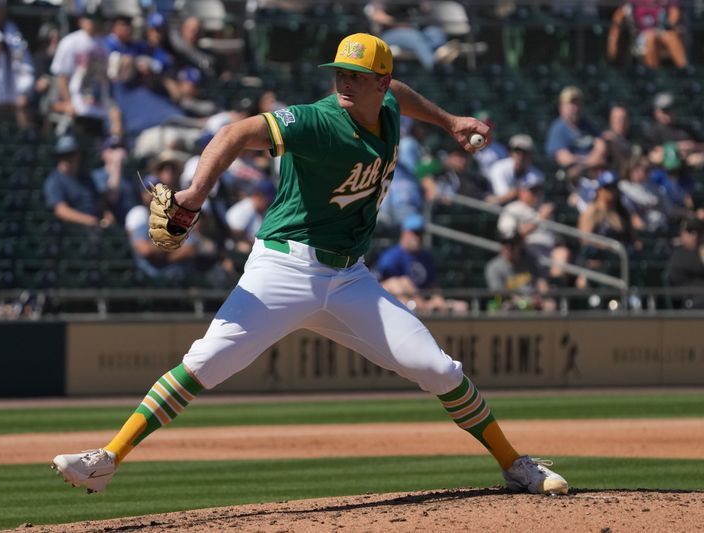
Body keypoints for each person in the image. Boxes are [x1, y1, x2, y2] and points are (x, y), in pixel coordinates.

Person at [52, 33, 567, 497]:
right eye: (340, 72)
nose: (344, 82)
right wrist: (194, 193)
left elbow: (400, 95)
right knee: (205, 363)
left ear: (380, 82)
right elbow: (233, 134)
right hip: (284, 267)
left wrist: (450, 121)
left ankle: (514, 463)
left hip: (348, 278)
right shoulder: (319, 119)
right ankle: (107, 459)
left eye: (357, 76)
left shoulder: (387, 106)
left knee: (437, 368)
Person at [50, 8, 122, 139]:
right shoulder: (70, 42)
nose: (94, 23)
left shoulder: (106, 44)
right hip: (78, 108)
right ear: (81, 20)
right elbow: (61, 75)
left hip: (100, 109)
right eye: (90, 19)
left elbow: (111, 77)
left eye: (97, 20)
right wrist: (68, 102)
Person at [375, 213, 468, 314]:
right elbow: (384, 285)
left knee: (461, 306)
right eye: (415, 233)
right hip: (401, 303)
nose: (418, 237)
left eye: (421, 233)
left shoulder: (426, 257)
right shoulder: (392, 256)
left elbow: (433, 285)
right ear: (405, 233)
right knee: (402, 283)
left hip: (424, 301)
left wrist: (437, 298)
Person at [497, 173, 570, 280]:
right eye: (532, 191)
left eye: (538, 190)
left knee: (562, 253)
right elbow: (510, 235)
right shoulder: (513, 208)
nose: (536, 194)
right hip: (526, 250)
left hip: (549, 249)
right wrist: (539, 219)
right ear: (521, 191)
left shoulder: (543, 208)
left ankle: (554, 286)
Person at [125, 174, 197, 282]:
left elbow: (190, 249)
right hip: (147, 279)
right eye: (149, 190)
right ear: (142, 193)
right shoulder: (139, 214)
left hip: (174, 278)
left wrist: (163, 255)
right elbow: (145, 249)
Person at [43, 135, 114, 228]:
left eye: (70, 154)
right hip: (74, 232)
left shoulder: (86, 177)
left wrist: (107, 215)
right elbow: (61, 211)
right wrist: (90, 221)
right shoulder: (54, 180)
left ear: (78, 156)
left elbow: (99, 202)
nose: (66, 159)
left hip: (96, 227)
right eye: (63, 155)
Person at [545, 86, 608, 182]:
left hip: (592, 175)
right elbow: (564, 159)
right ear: (561, 107)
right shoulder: (558, 128)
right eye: (571, 104)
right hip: (570, 181)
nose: (575, 108)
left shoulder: (588, 125)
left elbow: (601, 148)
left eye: (578, 104)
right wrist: (591, 161)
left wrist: (584, 162)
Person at [484, 232, 555, 312]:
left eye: (512, 245)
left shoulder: (531, 261)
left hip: (531, 301)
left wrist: (544, 298)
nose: (508, 248)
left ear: (519, 245)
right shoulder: (494, 266)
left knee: (549, 304)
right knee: (495, 306)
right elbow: (497, 293)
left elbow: (541, 283)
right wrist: (518, 300)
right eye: (505, 244)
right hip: (507, 302)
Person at [607, 0, 687, 69]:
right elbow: (618, 18)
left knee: (670, 36)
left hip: (661, 31)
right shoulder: (633, 2)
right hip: (641, 36)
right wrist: (612, 42)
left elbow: (674, 12)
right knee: (650, 38)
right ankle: (654, 74)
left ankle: (684, 71)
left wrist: (670, 25)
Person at [487, 134, 543, 206]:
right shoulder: (499, 168)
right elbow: (501, 197)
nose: (521, 156)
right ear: (510, 152)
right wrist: (520, 193)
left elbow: (534, 202)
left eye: (525, 152)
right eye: (517, 151)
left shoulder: (537, 176)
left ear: (531, 155)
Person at [225, 178, 276, 252]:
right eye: (268, 201)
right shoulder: (244, 209)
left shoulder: (257, 211)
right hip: (235, 251)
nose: (269, 204)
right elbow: (235, 234)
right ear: (258, 195)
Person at [666, 217, 704, 308]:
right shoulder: (679, 253)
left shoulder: (697, 251)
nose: (683, 236)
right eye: (683, 233)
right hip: (687, 296)